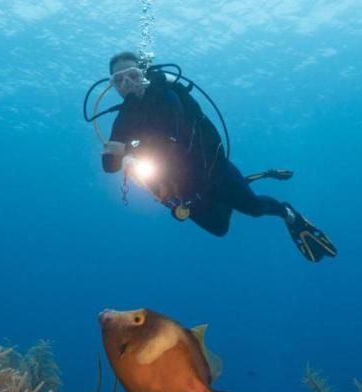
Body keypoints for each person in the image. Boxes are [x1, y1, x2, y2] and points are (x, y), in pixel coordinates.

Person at [100, 52, 337, 263]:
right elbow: (109, 166)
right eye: (118, 80)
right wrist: (115, 153)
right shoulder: (123, 119)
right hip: (184, 187)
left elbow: (173, 140)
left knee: (254, 208)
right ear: (113, 87)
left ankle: (290, 215)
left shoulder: (168, 97)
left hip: (215, 171)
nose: (126, 84)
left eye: (131, 75)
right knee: (219, 228)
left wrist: (127, 150)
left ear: (144, 73)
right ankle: (241, 186)